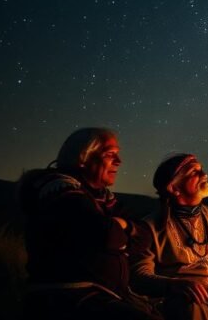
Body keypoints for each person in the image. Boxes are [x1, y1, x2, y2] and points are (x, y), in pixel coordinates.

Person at [17, 127, 160, 320]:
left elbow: (144, 238)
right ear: (83, 158)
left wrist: (122, 226)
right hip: (67, 297)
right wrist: (122, 228)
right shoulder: (59, 191)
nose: (119, 161)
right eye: (110, 154)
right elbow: (105, 235)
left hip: (101, 295)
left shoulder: (103, 198)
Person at [131, 153, 208, 320]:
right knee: (189, 309)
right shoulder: (150, 227)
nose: (205, 175)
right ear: (174, 188)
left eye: (201, 170)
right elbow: (139, 275)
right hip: (187, 301)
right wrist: (173, 285)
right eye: (194, 172)